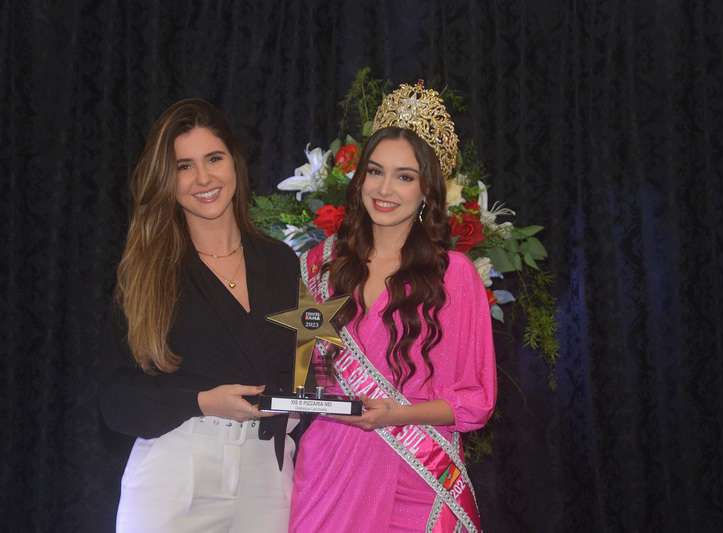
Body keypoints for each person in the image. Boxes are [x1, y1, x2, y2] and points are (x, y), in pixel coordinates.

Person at [289, 83, 496, 533]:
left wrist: (398, 414)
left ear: (427, 190)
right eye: (375, 172)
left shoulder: (453, 275)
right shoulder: (320, 263)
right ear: (360, 178)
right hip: (328, 468)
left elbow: (475, 400)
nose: (384, 189)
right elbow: (307, 373)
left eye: (404, 177)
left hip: (415, 475)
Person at [97, 98, 300, 532]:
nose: (203, 178)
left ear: (235, 162)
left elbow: (297, 369)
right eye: (184, 166)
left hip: (265, 472)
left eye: (214, 158)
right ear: (165, 179)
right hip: (175, 470)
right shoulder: (146, 271)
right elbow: (115, 400)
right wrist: (201, 401)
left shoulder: (281, 262)